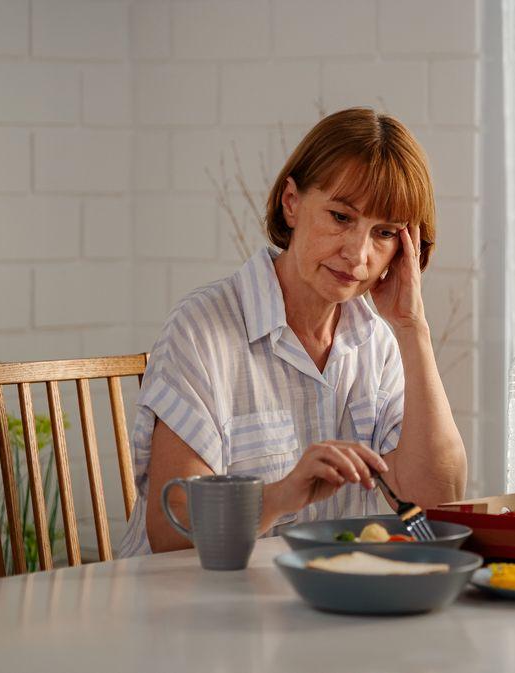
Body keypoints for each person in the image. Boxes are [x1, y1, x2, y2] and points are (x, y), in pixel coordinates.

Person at [118, 107, 467, 555]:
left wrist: (412, 328)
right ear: (291, 202)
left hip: (318, 594)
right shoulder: (202, 328)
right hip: (190, 592)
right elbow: (172, 531)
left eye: (383, 233)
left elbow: (439, 502)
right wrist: (283, 495)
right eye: (341, 217)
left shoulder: (379, 344)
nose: (358, 254)